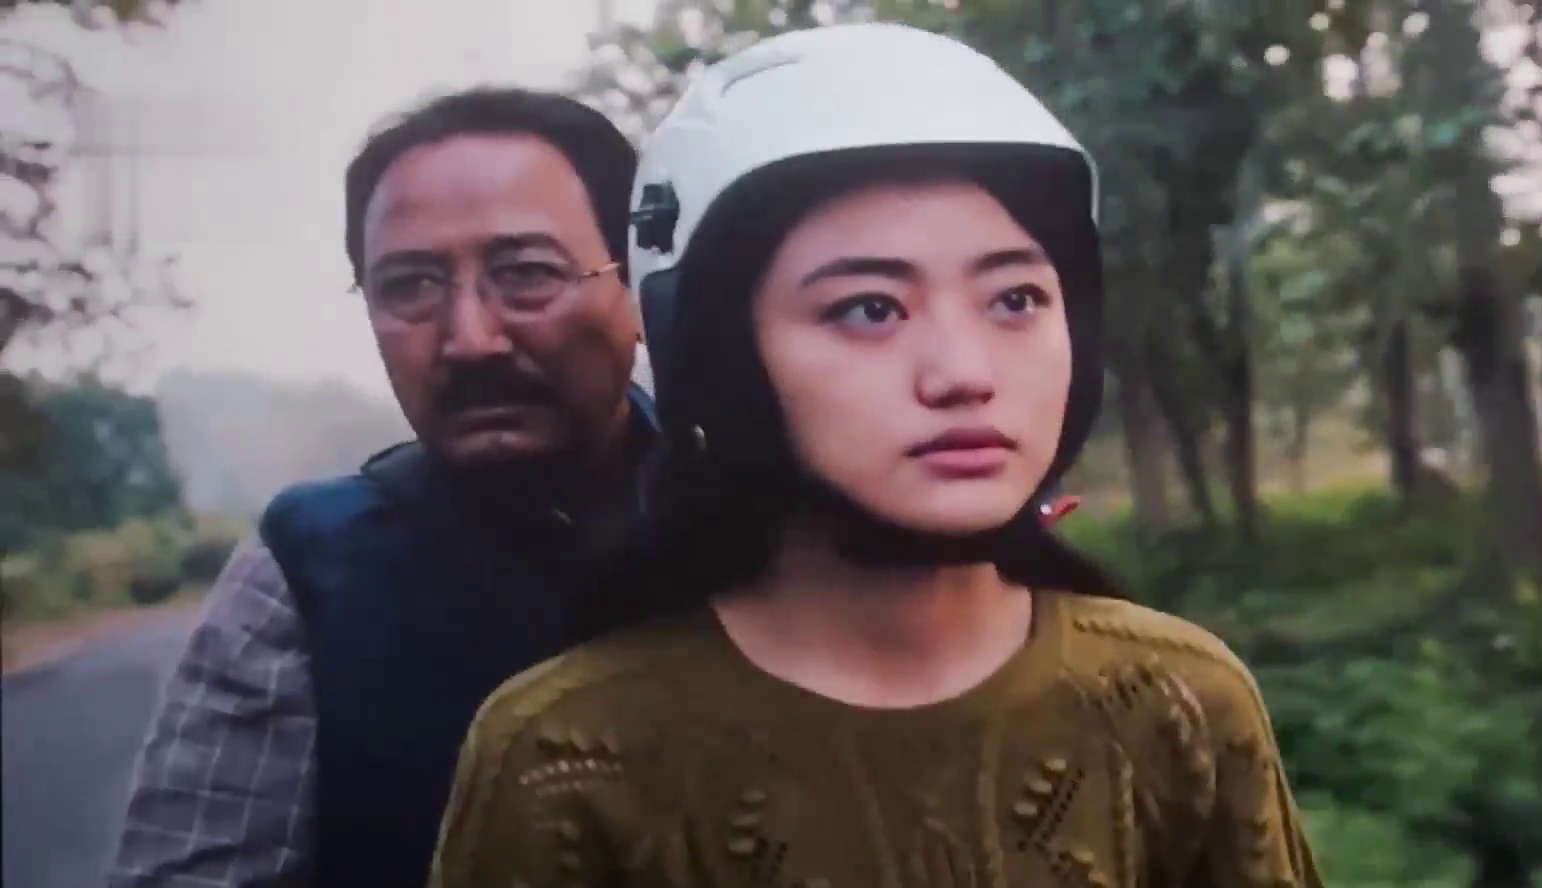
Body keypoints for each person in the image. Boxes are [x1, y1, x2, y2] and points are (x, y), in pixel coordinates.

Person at [430, 23, 1324, 888]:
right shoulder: (566, 755)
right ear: (719, 359)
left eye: (1015, 299)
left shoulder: (1177, 702)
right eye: (870, 309)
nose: (964, 373)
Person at [109, 87, 657, 888]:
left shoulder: (764, 524)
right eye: (409, 286)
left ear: (639, 286)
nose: (469, 339)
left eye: (527, 274)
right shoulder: (309, 570)